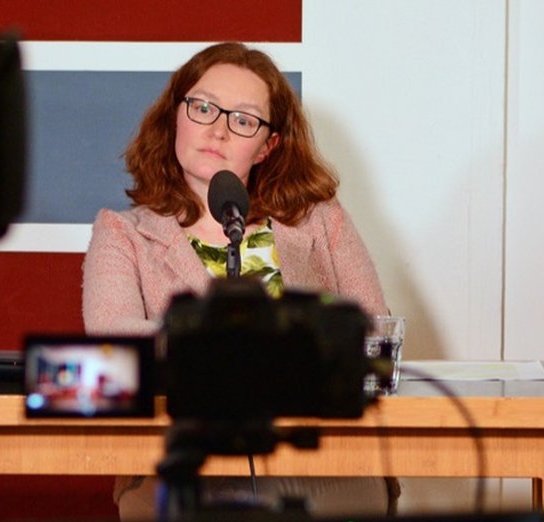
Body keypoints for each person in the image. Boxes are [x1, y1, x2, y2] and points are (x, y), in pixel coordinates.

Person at [82, 42, 395, 520]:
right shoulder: (123, 232)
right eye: (203, 107)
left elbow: (375, 335)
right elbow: (114, 342)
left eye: (243, 119)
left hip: (322, 459)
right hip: (184, 463)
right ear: (176, 117)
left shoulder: (320, 221)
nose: (218, 130)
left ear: (268, 144)